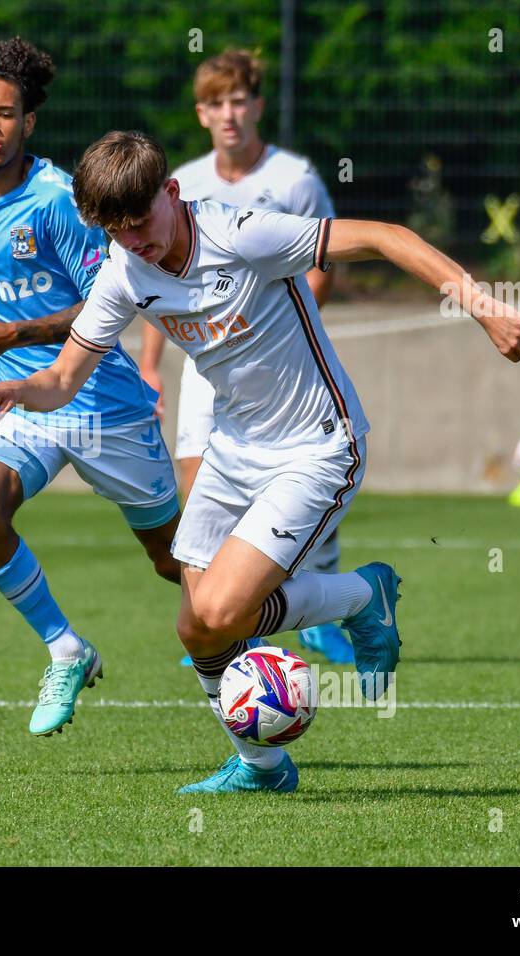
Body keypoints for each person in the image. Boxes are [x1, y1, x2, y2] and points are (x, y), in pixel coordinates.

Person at [0, 131, 520, 792]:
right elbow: (62, 381)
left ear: (171, 193)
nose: (135, 242)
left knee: (227, 613)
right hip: (234, 453)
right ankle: (264, 768)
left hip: (318, 445)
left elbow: (385, 235)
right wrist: (17, 390)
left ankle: (361, 595)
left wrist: (485, 307)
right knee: (194, 627)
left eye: (142, 222)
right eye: (117, 232)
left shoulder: (243, 235)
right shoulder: (122, 273)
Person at [0, 30, 181, 738]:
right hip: (13, 397)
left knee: (176, 564)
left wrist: (13, 333)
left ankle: (331, 602)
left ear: (29, 121)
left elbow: (107, 307)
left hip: (98, 397)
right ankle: (66, 648)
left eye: (6, 112)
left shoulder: (61, 200)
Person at [139, 49, 353, 666]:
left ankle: (314, 605)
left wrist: (273, 323)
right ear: (201, 113)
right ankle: (227, 624)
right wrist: (151, 364)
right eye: (215, 103)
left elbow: (322, 264)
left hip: (275, 353)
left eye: (239, 101)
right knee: (196, 478)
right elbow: (155, 286)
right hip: (204, 356)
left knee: (297, 473)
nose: (228, 114)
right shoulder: (184, 180)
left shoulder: (294, 180)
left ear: (257, 106)